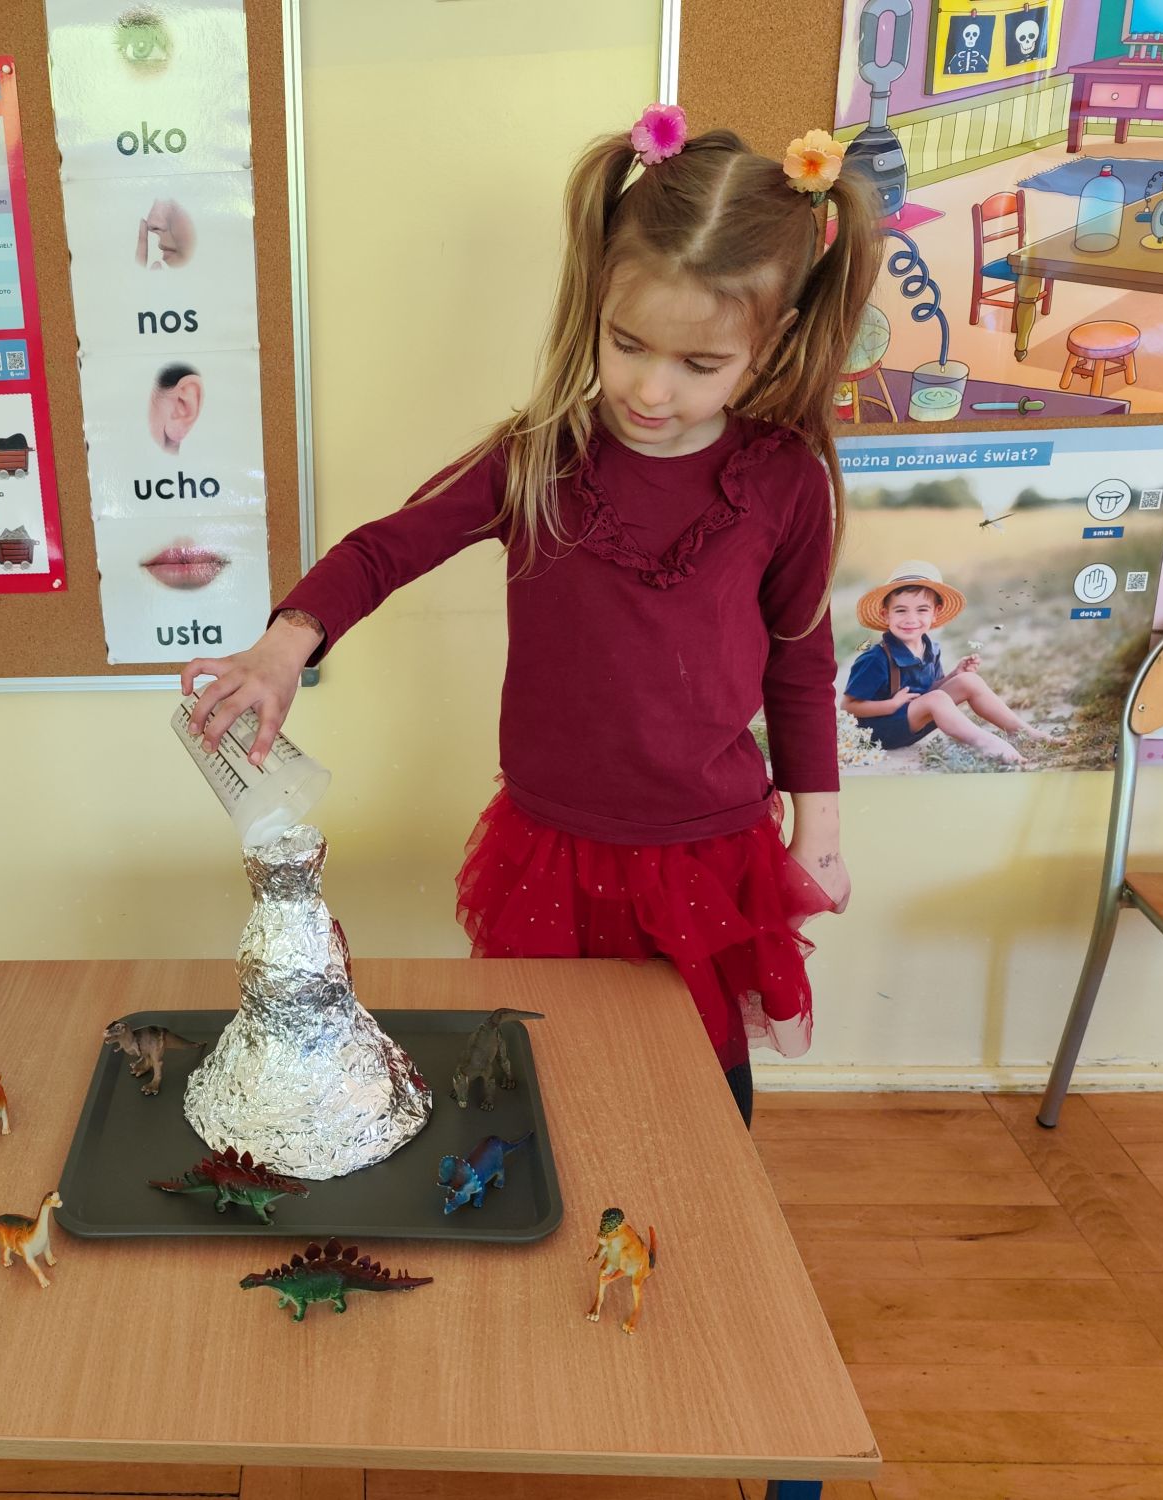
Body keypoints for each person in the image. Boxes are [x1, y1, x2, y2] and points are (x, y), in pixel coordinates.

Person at [179, 108, 880, 1127]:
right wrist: (286, 645)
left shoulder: (784, 482)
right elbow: (384, 548)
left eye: (698, 365)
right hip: (553, 849)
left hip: (709, 851)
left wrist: (819, 833)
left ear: (767, 344)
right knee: (549, 1087)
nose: (649, 389)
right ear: (594, 302)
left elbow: (799, 664)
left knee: (701, 1092)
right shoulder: (538, 456)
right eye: (627, 344)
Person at [840, 560, 1055, 764]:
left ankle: (1022, 732)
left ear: (936, 613)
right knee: (937, 699)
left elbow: (929, 691)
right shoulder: (875, 659)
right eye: (901, 610)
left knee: (968, 680)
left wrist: (954, 676)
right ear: (886, 615)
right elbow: (848, 706)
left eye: (922, 610)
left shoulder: (930, 649)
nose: (911, 619)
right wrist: (892, 704)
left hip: (912, 722)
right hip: (880, 732)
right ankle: (987, 743)